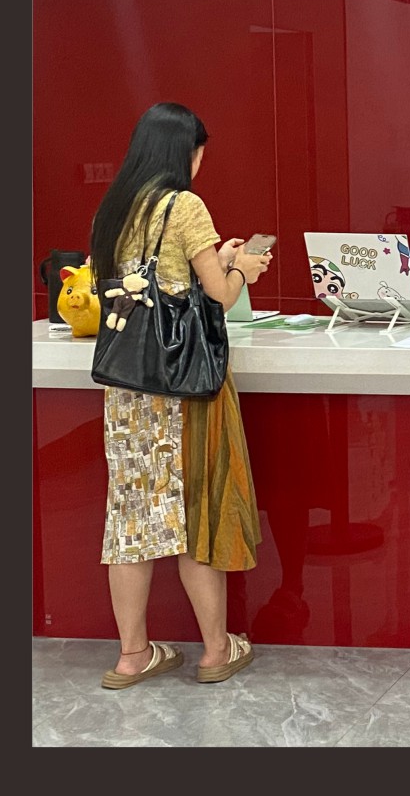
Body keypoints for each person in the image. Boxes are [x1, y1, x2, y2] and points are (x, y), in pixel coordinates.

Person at [88, 102, 271, 689]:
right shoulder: (184, 205)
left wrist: (217, 259)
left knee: (131, 519)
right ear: (185, 153)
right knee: (193, 514)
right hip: (179, 390)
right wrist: (242, 268)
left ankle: (132, 656)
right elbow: (218, 295)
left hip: (128, 389)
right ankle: (216, 650)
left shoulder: (116, 207)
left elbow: (154, 280)